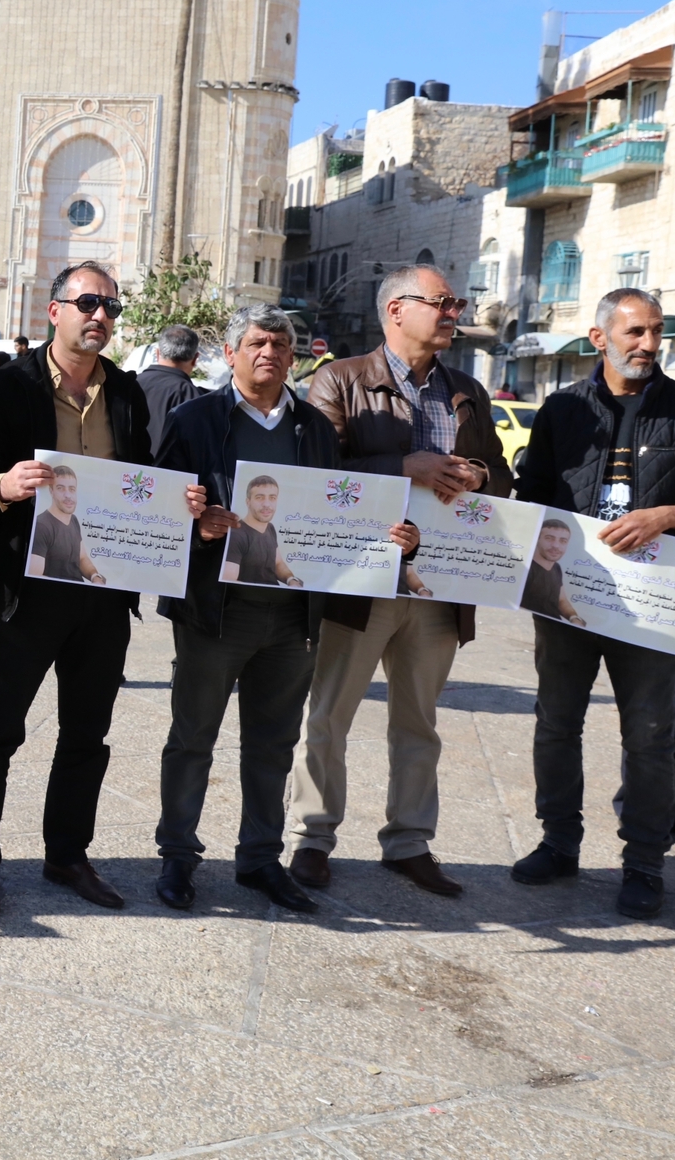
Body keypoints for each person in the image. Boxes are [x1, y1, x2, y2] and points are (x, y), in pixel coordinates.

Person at [0, 260, 202, 918]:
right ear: (54, 310)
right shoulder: (6, 387)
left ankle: (67, 854)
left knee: (88, 734)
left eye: (111, 307)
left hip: (103, 590)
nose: (100, 316)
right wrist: (2, 486)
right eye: (88, 303)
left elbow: (142, 477)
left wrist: (176, 501)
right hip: (25, 589)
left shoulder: (126, 391)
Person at [153, 304, 418, 915]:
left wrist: (393, 540)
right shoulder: (194, 419)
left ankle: (259, 859)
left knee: (273, 744)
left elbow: (337, 515)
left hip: (293, 616)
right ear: (230, 352)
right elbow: (160, 509)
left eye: (279, 344)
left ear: (292, 355)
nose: (269, 353)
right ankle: (177, 857)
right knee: (192, 739)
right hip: (215, 611)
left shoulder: (314, 428)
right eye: (256, 343)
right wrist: (198, 526)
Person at [510, 287, 675, 919]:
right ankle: (558, 843)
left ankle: (644, 863)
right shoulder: (562, 409)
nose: (648, 344)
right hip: (569, 593)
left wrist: (667, 516)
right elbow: (532, 490)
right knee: (556, 723)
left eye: (656, 332)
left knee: (648, 735)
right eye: (635, 332)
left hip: (652, 601)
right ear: (600, 338)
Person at [287, 265, 513, 898]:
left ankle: (409, 842)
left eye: (455, 302)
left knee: (419, 723)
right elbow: (317, 471)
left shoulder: (466, 390)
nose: (453, 312)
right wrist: (401, 466)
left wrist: (480, 476)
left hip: (439, 583)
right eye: (441, 302)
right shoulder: (339, 379)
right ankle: (312, 837)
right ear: (395, 310)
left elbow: (502, 476)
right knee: (329, 717)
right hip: (361, 581)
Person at [221, 476, 305, 586]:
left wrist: (291, 580)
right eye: (259, 497)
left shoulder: (270, 528)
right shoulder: (236, 535)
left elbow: (278, 563)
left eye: (272, 498)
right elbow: (229, 582)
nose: (266, 504)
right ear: (248, 502)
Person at [24, 467, 103, 584]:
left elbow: (82, 558)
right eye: (60, 488)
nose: (68, 495)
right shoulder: (41, 526)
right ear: (51, 491)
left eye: (72, 489)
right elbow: (35, 576)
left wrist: (95, 577)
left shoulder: (73, 520)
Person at [137, 324, 204, 455]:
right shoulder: (193, 397)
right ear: (195, 359)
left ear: (157, 353)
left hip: (123, 468)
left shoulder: (131, 383)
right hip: (167, 468)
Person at [521, 518, 581, 623]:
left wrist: (574, 618)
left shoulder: (556, 567)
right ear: (537, 539)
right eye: (549, 538)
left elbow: (561, 600)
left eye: (563, 541)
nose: (556, 545)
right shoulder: (525, 568)